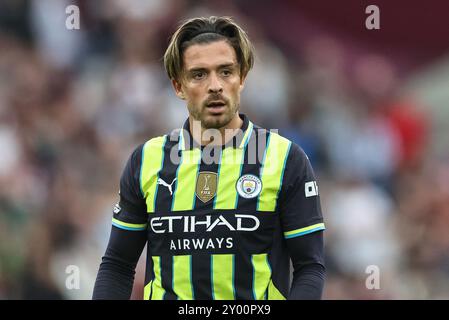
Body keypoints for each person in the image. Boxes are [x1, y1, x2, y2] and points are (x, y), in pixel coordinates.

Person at [93, 16, 325, 300]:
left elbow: (310, 267)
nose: (215, 85)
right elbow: (118, 265)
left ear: (242, 78)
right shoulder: (146, 161)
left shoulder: (286, 159)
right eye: (199, 74)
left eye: (226, 72)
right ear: (178, 86)